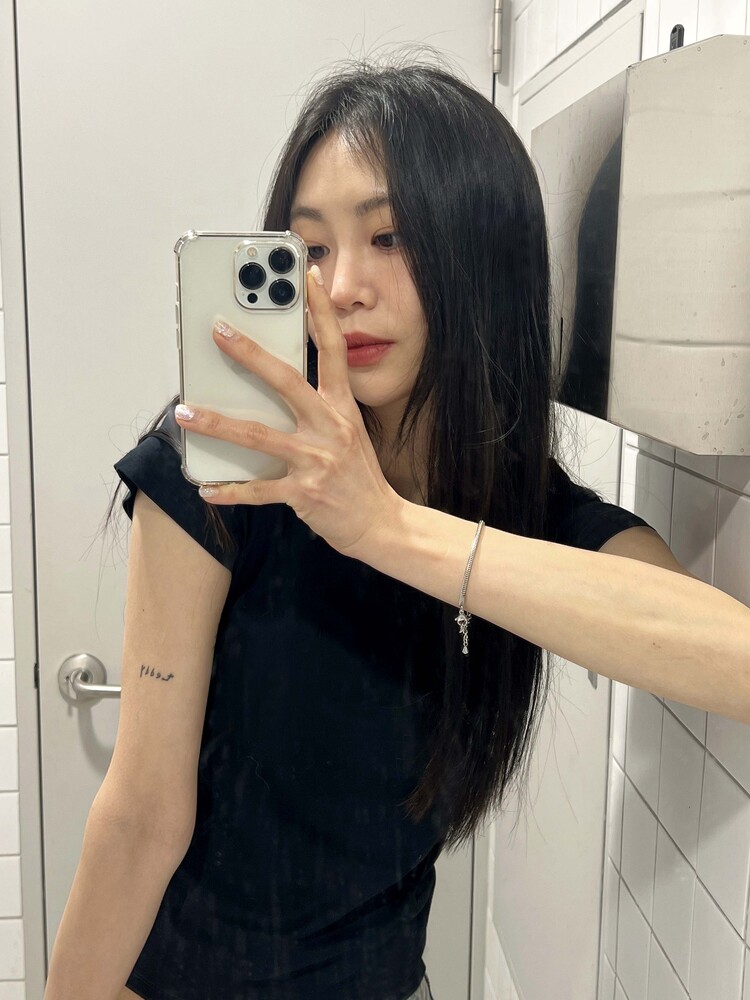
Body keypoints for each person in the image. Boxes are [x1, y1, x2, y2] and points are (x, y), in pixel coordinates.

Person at [44, 56, 750, 1000]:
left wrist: (386, 529)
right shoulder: (223, 469)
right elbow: (141, 816)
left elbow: (733, 661)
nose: (341, 287)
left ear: (482, 256)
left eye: (391, 236)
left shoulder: (521, 504)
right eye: (310, 248)